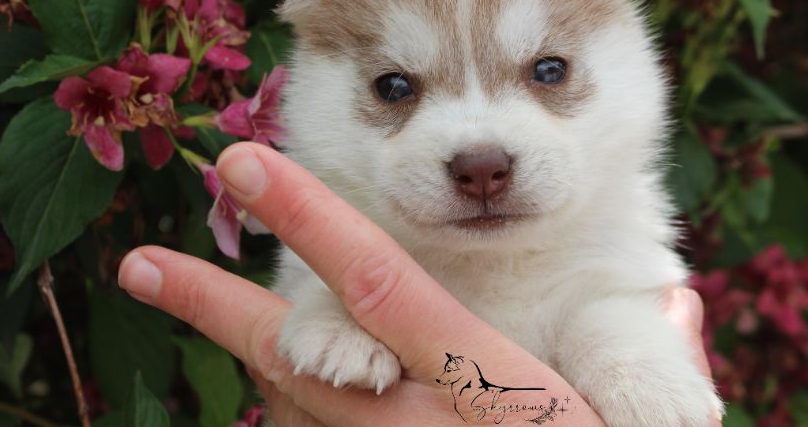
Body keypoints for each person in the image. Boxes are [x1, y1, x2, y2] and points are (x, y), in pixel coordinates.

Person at [118, 142, 722, 426]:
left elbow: (605, 297)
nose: (479, 149)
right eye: (396, 87)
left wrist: (616, 347)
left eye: (547, 71)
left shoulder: (611, 221)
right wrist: (339, 307)